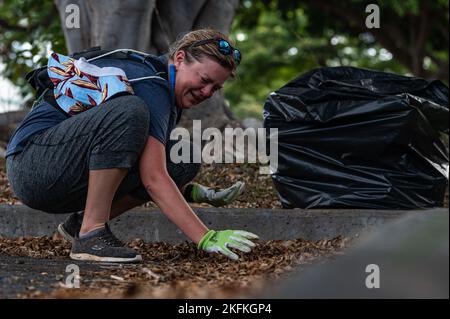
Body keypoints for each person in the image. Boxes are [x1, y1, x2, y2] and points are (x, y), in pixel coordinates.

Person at [6, 29, 258, 263]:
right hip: (32, 164)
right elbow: (153, 177)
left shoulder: (165, 90)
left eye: (215, 88)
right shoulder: (151, 85)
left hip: (59, 168)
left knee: (183, 158)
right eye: (204, 80)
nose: (206, 91)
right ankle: (92, 233)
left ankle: (80, 224)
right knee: (129, 110)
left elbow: (145, 161)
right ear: (179, 58)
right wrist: (205, 236)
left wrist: (190, 191)